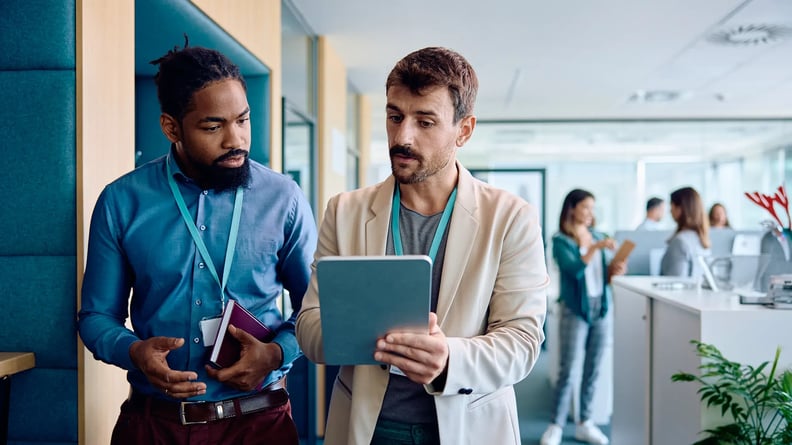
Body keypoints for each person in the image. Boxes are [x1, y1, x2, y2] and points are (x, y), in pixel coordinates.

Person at [296, 47, 549, 445]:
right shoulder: (344, 211)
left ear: (464, 130)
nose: (402, 137)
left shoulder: (510, 217)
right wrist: (360, 330)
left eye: (425, 121)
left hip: (469, 425)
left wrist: (449, 358)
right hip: (367, 427)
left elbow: (522, 340)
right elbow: (308, 326)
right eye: (394, 117)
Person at [77, 42, 317, 445]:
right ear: (172, 128)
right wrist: (133, 352)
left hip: (260, 423)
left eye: (243, 120)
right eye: (213, 126)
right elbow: (96, 316)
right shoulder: (122, 201)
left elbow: (316, 307)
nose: (235, 140)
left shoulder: (284, 198)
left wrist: (276, 354)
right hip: (153, 426)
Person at [540, 189, 627, 445]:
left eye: (592, 208)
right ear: (573, 209)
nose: (590, 213)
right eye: (586, 207)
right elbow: (575, 270)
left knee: (594, 368)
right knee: (569, 369)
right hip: (575, 309)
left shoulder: (598, 236)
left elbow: (603, 277)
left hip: (601, 307)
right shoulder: (561, 241)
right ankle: (555, 424)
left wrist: (615, 270)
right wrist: (594, 247)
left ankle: (584, 422)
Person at [660, 187, 711, 277]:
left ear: (680, 209)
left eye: (672, 206)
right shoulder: (702, 240)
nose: (670, 211)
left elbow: (676, 281)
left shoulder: (680, 242)